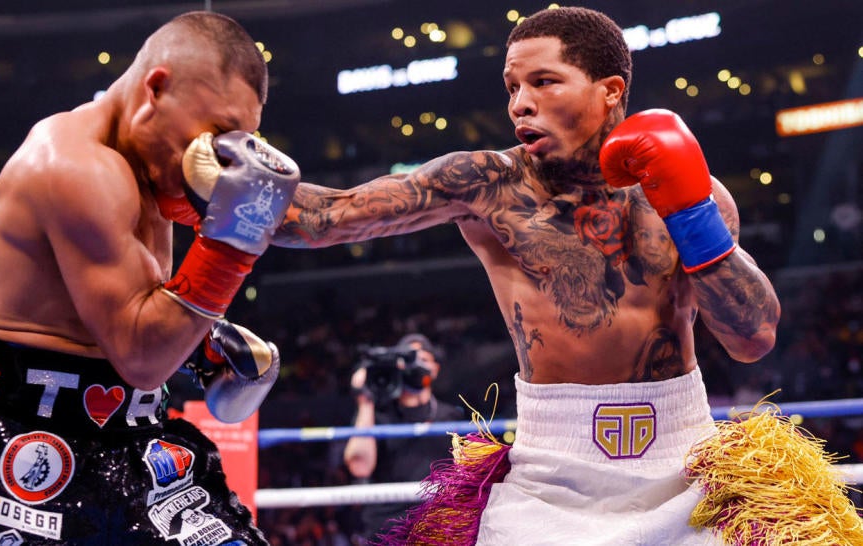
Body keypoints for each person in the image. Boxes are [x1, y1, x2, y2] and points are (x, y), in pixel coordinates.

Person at [267, 6, 863, 545]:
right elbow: (326, 217)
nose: (519, 103)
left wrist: (690, 212)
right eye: (511, 87)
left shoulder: (689, 195)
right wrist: (205, 174)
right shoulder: (486, 184)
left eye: (543, 82)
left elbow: (753, 337)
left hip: (689, 466)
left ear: (610, 92)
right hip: (547, 478)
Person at [0, 11, 301, 546]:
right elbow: (142, 357)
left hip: (143, 443)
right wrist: (230, 248)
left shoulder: (160, 171)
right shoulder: (71, 163)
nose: (219, 156)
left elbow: (311, 216)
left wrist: (445, 193)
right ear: (157, 89)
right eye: (216, 131)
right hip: (16, 444)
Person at [343, 333, 465, 541]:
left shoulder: (451, 417)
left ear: (435, 369)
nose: (415, 367)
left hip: (438, 529)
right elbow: (359, 467)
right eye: (408, 360)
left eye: (423, 360)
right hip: (386, 531)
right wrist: (365, 400)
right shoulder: (375, 415)